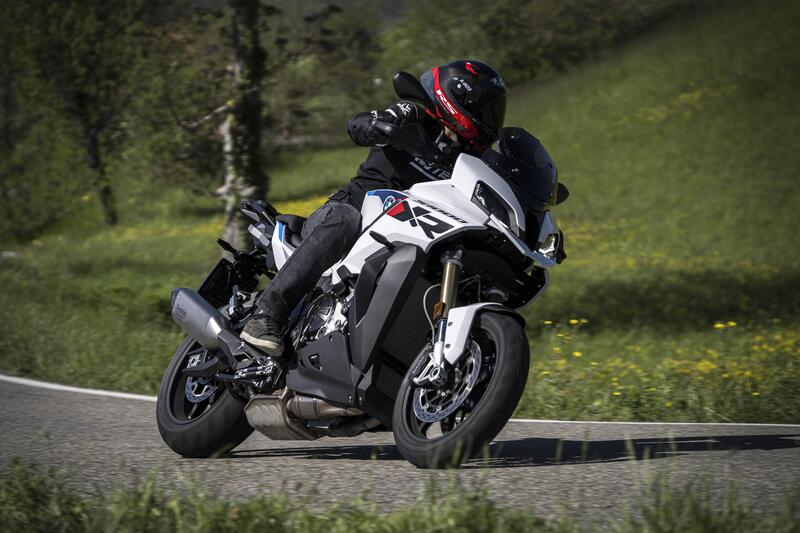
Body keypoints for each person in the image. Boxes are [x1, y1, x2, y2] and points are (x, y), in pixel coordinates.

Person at [240, 59, 508, 357]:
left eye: (494, 110)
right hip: (351, 213)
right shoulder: (415, 116)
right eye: (485, 108)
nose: (491, 118)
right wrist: (380, 125)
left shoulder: (471, 162)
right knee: (344, 219)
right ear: (458, 98)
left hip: (409, 232)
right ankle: (266, 315)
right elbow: (357, 126)